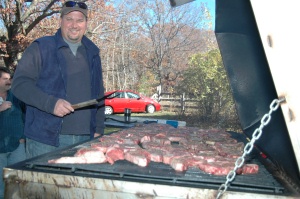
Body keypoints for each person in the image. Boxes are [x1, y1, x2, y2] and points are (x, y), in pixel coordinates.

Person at [11, 1, 105, 159]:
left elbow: (99, 94)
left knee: (79, 184)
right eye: (69, 19)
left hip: (85, 139)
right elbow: (19, 85)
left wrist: (99, 128)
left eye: (80, 20)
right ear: (60, 20)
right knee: (44, 184)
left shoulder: (93, 52)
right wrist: (50, 103)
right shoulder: (41, 47)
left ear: (86, 24)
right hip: (45, 140)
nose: (74, 25)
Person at [0, 67, 26, 199]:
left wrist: (23, 137)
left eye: (9, 78)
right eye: (5, 79)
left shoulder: (16, 96)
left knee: (18, 180)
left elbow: (26, 115)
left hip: (17, 145)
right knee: (1, 184)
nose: (9, 81)